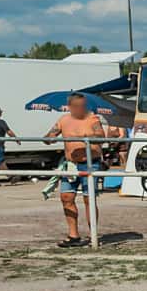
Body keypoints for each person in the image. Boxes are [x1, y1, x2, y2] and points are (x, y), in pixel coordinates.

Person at [46, 92, 108, 248]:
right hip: (70, 164)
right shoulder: (63, 120)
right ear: (70, 106)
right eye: (77, 106)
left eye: (83, 105)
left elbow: (101, 136)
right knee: (66, 197)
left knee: (89, 199)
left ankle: (93, 234)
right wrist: (49, 138)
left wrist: (85, 136)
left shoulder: (93, 118)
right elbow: (49, 136)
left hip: (90, 163)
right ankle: (73, 235)